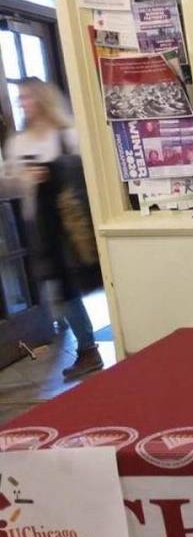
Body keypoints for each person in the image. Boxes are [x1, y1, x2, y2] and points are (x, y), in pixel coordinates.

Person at [2, 78, 103, 380]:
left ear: (43, 99)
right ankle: (87, 347)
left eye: (27, 96)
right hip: (39, 225)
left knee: (68, 285)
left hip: (69, 223)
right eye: (19, 97)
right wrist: (26, 179)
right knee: (55, 288)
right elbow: (9, 183)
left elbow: (89, 173)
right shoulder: (18, 142)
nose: (22, 103)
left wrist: (57, 171)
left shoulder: (67, 134)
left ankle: (88, 348)